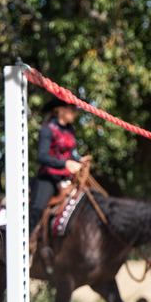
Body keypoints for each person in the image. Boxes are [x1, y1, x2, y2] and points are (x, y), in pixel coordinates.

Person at [29, 97, 91, 234]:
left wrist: (79, 160)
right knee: (37, 208)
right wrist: (66, 163)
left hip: (67, 178)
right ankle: (27, 241)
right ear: (60, 110)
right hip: (49, 177)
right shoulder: (46, 130)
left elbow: (69, 155)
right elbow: (42, 156)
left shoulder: (70, 130)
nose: (76, 113)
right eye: (72, 109)